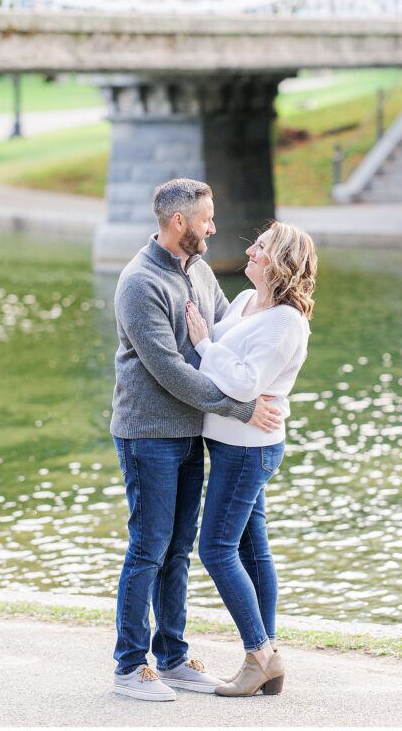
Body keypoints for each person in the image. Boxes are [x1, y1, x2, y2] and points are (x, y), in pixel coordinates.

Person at [110, 178, 284, 702]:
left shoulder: (200, 271)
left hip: (191, 431)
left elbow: (225, 334)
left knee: (179, 549)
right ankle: (129, 666)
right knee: (148, 547)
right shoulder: (140, 282)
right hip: (149, 434)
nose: (214, 227)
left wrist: (278, 322)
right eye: (206, 218)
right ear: (179, 222)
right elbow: (168, 370)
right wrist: (242, 408)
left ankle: (173, 656)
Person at [184, 220, 317, 697]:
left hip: (248, 451)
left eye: (259, 248)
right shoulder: (244, 302)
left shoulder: (285, 322)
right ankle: (267, 659)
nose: (250, 251)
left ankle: (259, 654)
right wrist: (209, 348)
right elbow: (233, 370)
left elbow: (242, 382)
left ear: (279, 262)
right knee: (251, 549)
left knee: (216, 549)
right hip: (229, 443)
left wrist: (203, 344)